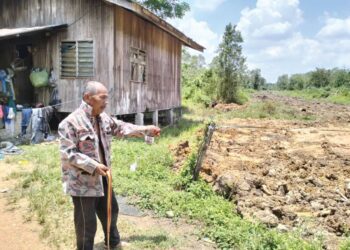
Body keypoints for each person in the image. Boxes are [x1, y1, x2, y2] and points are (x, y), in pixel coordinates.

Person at [58, 81, 160, 250]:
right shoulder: (70, 123)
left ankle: (112, 243)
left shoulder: (103, 118)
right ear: (87, 98)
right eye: (102, 98)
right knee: (86, 223)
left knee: (111, 211)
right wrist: (93, 165)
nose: (106, 102)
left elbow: (121, 127)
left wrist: (147, 129)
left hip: (104, 177)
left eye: (107, 98)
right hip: (82, 183)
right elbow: (69, 153)